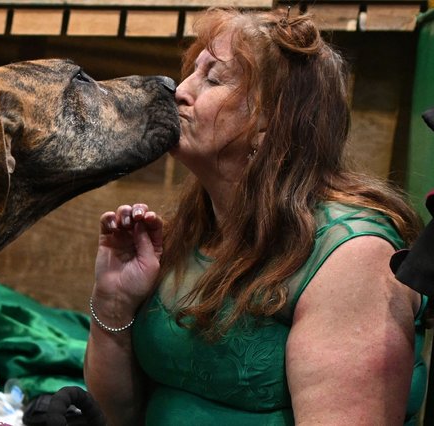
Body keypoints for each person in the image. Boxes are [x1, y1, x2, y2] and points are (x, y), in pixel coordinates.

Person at [83, 7, 429, 426]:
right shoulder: (196, 226)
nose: (180, 91)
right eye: (193, 72)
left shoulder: (352, 259)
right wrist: (114, 305)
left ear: (271, 119)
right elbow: (118, 415)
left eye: (212, 78)